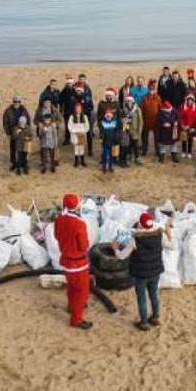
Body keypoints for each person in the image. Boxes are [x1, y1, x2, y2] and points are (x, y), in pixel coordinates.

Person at [111, 212, 174, 331]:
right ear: (151, 224)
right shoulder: (160, 236)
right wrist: (169, 233)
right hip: (155, 272)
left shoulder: (134, 240)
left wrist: (115, 249)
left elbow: (122, 256)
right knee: (154, 295)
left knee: (142, 298)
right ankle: (155, 317)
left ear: (140, 225)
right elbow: (172, 246)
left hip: (140, 274)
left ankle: (144, 323)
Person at [53, 194, 92, 330]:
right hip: (78, 264)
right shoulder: (79, 224)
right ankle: (76, 319)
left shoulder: (59, 219)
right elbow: (83, 245)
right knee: (82, 291)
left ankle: (72, 306)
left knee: (71, 287)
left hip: (66, 261)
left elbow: (56, 236)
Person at [2, 96, 31, 171]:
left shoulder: (24, 110)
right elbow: (5, 122)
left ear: (20, 102)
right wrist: (7, 133)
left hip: (23, 133)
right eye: (15, 101)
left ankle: (23, 163)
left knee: (23, 149)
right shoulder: (8, 111)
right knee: (13, 148)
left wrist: (28, 131)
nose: (17, 103)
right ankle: (14, 163)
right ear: (13, 102)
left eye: (18, 102)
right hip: (13, 132)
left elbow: (28, 120)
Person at [140, 81, 162, 158]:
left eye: (153, 89)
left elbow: (160, 109)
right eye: (150, 89)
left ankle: (158, 151)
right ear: (148, 89)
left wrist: (160, 119)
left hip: (155, 121)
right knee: (144, 136)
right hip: (146, 120)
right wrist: (142, 119)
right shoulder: (144, 98)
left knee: (157, 137)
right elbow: (141, 109)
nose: (151, 91)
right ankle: (144, 150)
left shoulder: (158, 98)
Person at [121, 95, 143, 166]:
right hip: (127, 130)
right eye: (127, 101)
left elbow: (140, 121)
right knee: (128, 144)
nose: (128, 102)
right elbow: (123, 120)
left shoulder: (137, 109)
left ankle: (137, 158)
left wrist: (139, 131)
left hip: (135, 130)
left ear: (132, 101)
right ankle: (129, 156)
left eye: (129, 101)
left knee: (135, 145)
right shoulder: (124, 110)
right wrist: (124, 130)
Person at [67, 103, 90, 168]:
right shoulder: (72, 117)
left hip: (82, 134)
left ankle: (82, 160)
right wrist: (75, 132)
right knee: (76, 147)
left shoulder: (84, 117)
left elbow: (87, 126)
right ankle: (76, 161)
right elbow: (69, 126)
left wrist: (83, 131)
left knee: (82, 147)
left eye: (79, 109)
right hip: (75, 134)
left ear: (81, 109)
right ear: (75, 110)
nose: (78, 110)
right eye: (77, 109)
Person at [98, 109, 120, 174]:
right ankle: (104, 167)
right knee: (105, 155)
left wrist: (116, 139)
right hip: (105, 142)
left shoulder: (115, 122)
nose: (108, 117)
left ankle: (110, 167)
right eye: (107, 116)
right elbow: (102, 132)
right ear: (105, 116)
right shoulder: (103, 123)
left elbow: (116, 131)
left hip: (112, 142)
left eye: (109, 116)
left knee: (111, 155)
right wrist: (101, 138)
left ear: (111, 116)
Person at [177, 95, 196, 159]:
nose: (190, 101)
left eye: (191, 100)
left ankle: (189, 152)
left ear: (193, 101)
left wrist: (189, 126)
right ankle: (183, 151)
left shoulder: (195, 108)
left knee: (190, 139)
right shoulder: (182, 107)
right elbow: (180, 116)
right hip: (183, 126)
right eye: (189, 100)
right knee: (184, 139)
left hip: (191, 126)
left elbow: (195, 118)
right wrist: (182, 125)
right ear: (186, 100)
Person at [59, 75, 77, 145]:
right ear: (67, 84)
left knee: (74, 126)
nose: (70, 84)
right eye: (68, 83)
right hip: (66, 112)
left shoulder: (75, 91)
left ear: (72, 83)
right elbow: (61, 102)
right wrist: (60, 110)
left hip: (74, 112)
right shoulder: (63, 92)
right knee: (67, 127)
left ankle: (74, 139)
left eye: (71, 83)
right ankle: (67, 140)